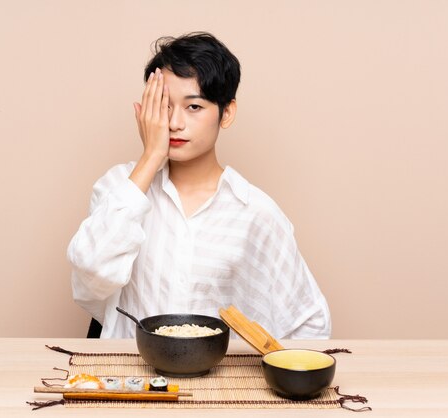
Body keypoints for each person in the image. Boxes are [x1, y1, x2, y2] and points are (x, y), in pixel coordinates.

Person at [67, 32, 331, 339]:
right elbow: (90, 273)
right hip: (131, 381)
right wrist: (151, 156)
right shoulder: (121, 187)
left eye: (194, 107)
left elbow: (309, 322)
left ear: (226, 113)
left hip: (217, 382)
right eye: (164, 106)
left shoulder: (255, 212)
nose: (175, 122)